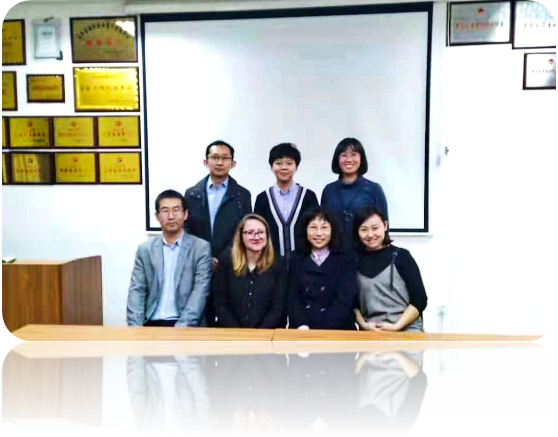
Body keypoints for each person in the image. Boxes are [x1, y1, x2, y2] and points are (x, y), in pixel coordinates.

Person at [126, 190, 212, 327]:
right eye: (165, 211)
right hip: (151, 322)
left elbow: (200, 292)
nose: (171, 216)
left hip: (185, 324)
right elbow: (137, 291)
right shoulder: (145, 250)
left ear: (185, 214)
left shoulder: (200, 248)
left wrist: (180, 330)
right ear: (157, 216)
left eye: (176, 210)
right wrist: (136, 329)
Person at [353, 206, 427, 333]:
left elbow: (420, 300)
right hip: (371, 332)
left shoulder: (402, 256)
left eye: (375, 228)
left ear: (385, 226)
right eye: (364, 229)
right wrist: (364, 325)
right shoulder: (353, 261)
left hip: (406, 330)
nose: (370, 234)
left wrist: (396, 326)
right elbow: (352, 304)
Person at [184, 140, 252, 270]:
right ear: (206, 162)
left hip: (231, 264)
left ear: (232, 164)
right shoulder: (191, 194)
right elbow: (187, 229)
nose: (220, 163)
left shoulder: (242, 195)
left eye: (225, 158)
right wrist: (204, 256)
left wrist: (222, 258)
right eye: (215, 157)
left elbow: (244, 230)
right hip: (197, 262)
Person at [212, 214, 287, 329]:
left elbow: (278, 307)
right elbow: (220, 303)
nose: (256, 237)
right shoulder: (226, 260)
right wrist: (240, 333)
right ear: (240, 235)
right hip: (230, 332)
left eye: (260, 232)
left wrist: (259, 333)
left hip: (267, 333)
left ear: (267, 235)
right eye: (250, 232)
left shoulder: (278, 263)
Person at [289, 207, 356, 330]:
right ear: (305, 230)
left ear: (333, 230)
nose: (319, 233)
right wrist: (302, 326)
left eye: (324, 227)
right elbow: (293, 297)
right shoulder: (295, 257)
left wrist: (325, 331)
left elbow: (345, 299)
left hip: (338, 329)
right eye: (313, 227)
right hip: (303, 330)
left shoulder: (346, 258)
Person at [254, 143, 319, 265]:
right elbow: (257, 232)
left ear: (296, 166)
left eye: (289, 163)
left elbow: (316, 229)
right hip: (271, 265)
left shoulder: (309, 196)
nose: (284, 167)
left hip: (304, 264)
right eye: (278, 163)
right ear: (271, 167)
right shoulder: (262, 199)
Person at [321, 138, 389, 249]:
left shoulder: (374, 189)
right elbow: (323, 225)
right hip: (335, 253)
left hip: (366, 253)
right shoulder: (329, 191)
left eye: (353, 155)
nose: (348, 160)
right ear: (337, 159)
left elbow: (384, 228)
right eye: (343, 155)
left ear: (361, 159)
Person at [127, 355, 212, 436]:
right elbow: (200, 392)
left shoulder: (145, 431)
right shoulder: (200, 432)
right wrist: (183, 355)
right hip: (183, 361)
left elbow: (137, 392)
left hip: (152, 358)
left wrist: (135, 354)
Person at [355, 351, 428, 436]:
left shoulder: (355, 423)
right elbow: (420, 381)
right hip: (406, 352)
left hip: (371, 351)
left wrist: (364, 357)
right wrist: (395, 355)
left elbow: (354, 374)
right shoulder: (402, 425)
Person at [211, 355, 287, 435]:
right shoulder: (275, 420)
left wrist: (238, 351)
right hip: (268, 353)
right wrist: (260, 351)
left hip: (229, 353)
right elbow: (278, 375)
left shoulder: (227, 423)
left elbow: (221, 378)